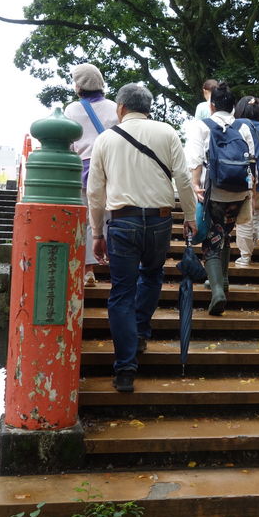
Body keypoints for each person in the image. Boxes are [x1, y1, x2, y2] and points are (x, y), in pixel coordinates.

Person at [87, 83, 196, 393]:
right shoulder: (167, 132)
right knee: (151, 276)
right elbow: (184, 180)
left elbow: (95, 191)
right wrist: (189, 216)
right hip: (160, 221)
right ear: (148, 107)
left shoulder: (106, 139)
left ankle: (125, 369)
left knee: (121, 292)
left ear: (121, 108)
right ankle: (140, 334)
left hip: (122, 223)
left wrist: (97, 232)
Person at [184, 82, 255, 315]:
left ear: (211, 105)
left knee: (211, 240)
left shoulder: (201, 125)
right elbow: (252, 159)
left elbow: (194, 159)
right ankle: (222, 280)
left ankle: (217, 292)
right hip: (238, 191)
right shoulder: (243, 127)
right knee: (223, 234)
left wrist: (195, 185)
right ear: (233, 106)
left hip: (213, 190)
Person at [63, 63, 119, 286]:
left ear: (79, 86)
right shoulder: (115, 107)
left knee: (88, 220)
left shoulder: (72, 110)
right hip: (111, 168)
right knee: (110, 218)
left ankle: (88, 271)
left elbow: (69, 143)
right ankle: (114, 265)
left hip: (84, 168)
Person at [232, 96, 259, 267]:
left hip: (247, 174)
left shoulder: (238, 125)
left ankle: (245, 256)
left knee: (244, 216)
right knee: (257, 209)